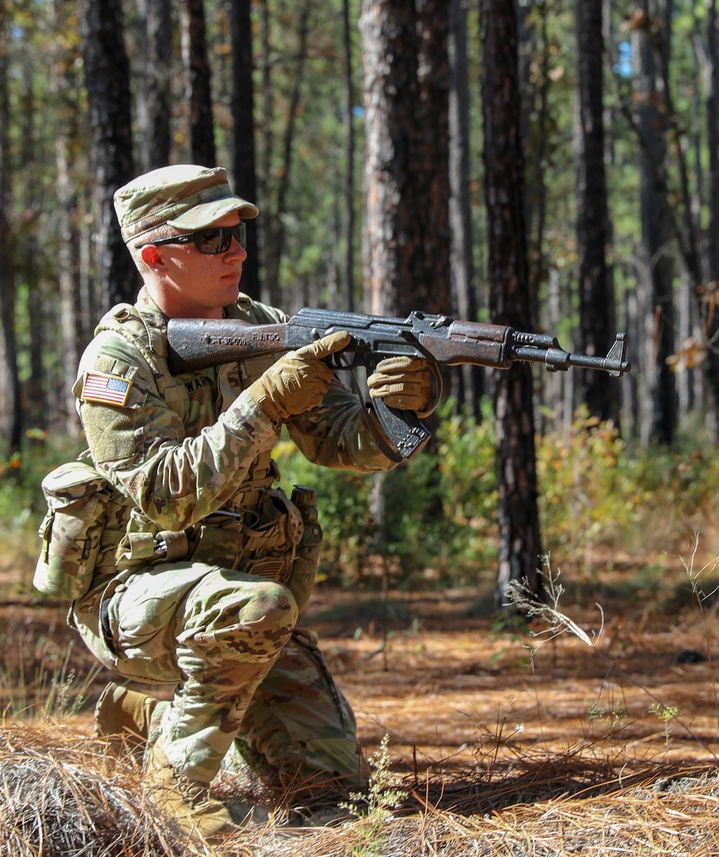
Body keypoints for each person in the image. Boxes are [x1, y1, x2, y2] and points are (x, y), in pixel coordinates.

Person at [62, 164, 439, 841]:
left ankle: (157, 716)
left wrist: (395, 413)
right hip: (136, 599)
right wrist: (264, 401)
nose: (236, 251)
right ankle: (172, 782)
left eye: (238, 234)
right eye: (212, 240)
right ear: (153, 255)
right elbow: (166, 495)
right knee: (257, 607)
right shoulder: (118, 361)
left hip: (243, 611)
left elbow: (339, 443)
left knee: (335, 793)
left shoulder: (262, 327)